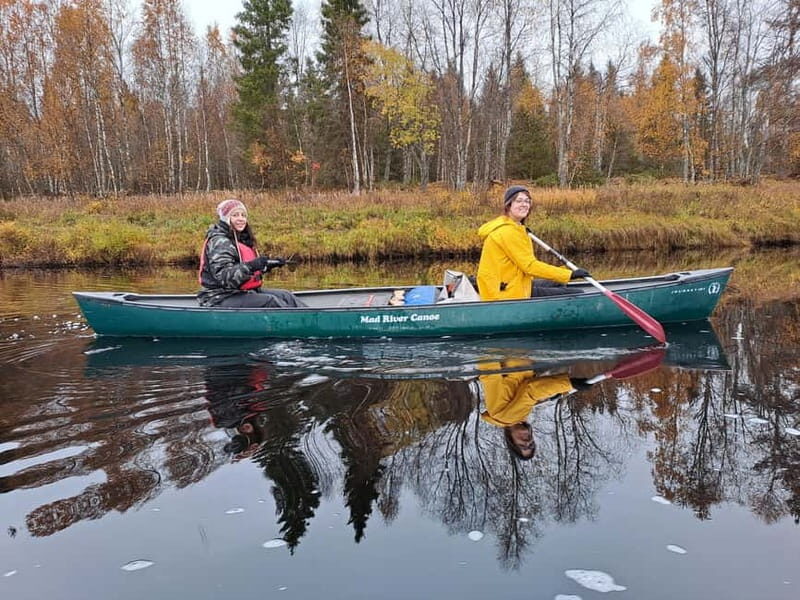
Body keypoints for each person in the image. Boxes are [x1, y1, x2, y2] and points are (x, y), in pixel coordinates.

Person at [476, 185, 591, 301]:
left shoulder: (515, 227)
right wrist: (569, 275)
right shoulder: (507, 231)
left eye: (527, 201)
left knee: (559, 282)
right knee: (578, 294)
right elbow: (530, 266)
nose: (524, 204)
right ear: (509, 205)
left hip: (514, 282)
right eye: (519, 201)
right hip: (506, 292)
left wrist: (564, 273)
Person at [198, 199, 307, 308]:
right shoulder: (220, 242)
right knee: (270, 301)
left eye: (243, 215)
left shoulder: (241, 239)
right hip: (219, 297)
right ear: (226, 218)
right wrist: (252, 266)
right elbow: (225, 277)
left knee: (286, 295)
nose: (241, 219)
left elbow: (246, 269)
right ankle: (298, 322)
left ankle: (310, 317)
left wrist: (269, 265)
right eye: (235, 215)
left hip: (241, 292)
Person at [480, 359, 591, 460]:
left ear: (511, 440)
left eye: (522, 445)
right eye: (531, 445)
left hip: (506, 354)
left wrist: (569, 384)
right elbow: (526, 390)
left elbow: (531, 391)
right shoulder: (507, 417)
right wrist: (562, 389)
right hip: (501, 357)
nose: (528, 442)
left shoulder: (509, 417)